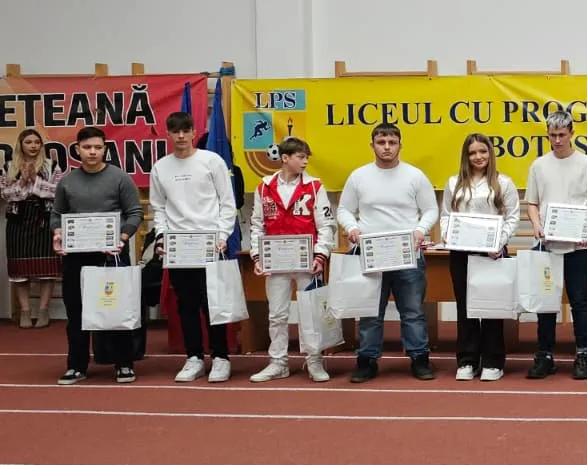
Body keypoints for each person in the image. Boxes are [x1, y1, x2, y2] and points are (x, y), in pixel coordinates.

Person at [337, 122, 439, 383]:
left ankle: (419, 359)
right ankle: (367, 361)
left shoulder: (415, 176)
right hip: (371, 255)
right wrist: (352, 228)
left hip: (407, 254)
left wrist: (420, 230)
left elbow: (431, 209)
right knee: (370, 312)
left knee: (413, 311)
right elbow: (344, 209)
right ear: (372, 145)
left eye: (392, 143)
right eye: (381, 142)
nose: (386, 147)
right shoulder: (359, 176)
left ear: (400, 145)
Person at [50, 127, 144, 384]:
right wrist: (58, 232)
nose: (92, 152)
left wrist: (122, 238)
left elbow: (135, 212)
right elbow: (57, 214)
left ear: (105, 149)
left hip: (111, 255)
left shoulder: (119, 177)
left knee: (116, 308)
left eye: (98, 147)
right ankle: (76, 366)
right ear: (77, 149)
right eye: (87, 147)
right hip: (76, 256)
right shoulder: (67, 181)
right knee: (76, 311)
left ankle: (123, 363)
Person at [150, 111, 238, 383]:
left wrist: (222, 235)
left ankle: (221, 357)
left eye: (185, 131)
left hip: (210, 244)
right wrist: (162, 237)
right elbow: (158, 207)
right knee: (186, 305)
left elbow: (227, 202)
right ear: (168, 134)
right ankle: (194, 357)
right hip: (178, 248)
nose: (180, 136)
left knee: (213, 304)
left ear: (193, 132)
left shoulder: (212, 161)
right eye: (175, 131)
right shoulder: (160, 167)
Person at [524, 110, 587, 380]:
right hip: (547, 245)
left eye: (561, 135)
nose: (557, 140)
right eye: (552, 135)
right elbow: (532, 203)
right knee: (546, 302)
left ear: (572, 133)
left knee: (579, 301)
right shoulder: (538, 166)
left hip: (578, 247)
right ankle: (545, 355)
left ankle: (582, 354)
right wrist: (536, 225)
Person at [247, 137, 336, 382]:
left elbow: (326, 226)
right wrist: (258, 256)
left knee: (311, 312)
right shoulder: (264, 187)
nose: (305, 161)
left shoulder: (315, 187)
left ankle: (314, 360)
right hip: (275, 261)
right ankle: (278, 362)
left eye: (307, 157)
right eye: (300, 157)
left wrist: (321, 255)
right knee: (276, 314)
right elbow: (257, 225)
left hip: (307, 261)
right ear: (285, 158)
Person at [442, 133, 520, 382]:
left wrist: (500, 242)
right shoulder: (453, 183)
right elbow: (446, 216)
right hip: (461, 253)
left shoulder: (503, 183)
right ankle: (467, 360)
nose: (478, 157)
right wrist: (448, 235)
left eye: (483, 151)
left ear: (490, 153)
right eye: (473, 152)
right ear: (466, 156)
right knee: (465, 307)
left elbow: (512, 217)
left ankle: (493, 361)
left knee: (491, 307)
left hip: (492, 252)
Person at [2, 128, 61, 327]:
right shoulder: (9, 166)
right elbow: (5, 194)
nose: (33, 146)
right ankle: (25, 311)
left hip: (44, 218)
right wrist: (22, 181)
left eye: (37, 142)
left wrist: (35, 180)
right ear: (21, 145)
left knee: (47, 269)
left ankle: (43, 311)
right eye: (28, 142)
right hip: (18, 220)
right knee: (20, 271)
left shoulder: (51, 165)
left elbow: (57, 191)